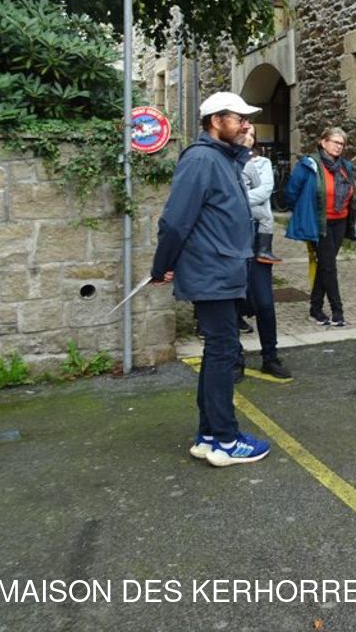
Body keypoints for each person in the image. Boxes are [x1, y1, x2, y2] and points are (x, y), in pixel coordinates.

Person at [151, 91, 271, 467]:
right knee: (223, 352)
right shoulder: (201, 159)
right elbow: (175, 220)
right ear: (216, 121)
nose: (246, 125)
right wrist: (161, 264)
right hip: (213, 270)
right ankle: (225, 440)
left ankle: (207, 436)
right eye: (239, 118)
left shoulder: (221, 158)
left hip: (221, 268)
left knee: (218, 351)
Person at [284, 126, 356, 327]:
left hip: (340, 220)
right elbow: (291, 193)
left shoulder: (345, 166)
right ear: (323, 142)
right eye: (335, 142)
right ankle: (337, 311)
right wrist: (304, 212)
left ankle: (315, 308)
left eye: (342, 144)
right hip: (319, 222)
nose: (339, 146)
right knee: (329, 266)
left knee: (325, 265)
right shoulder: (309, 165)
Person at [236, 128, 291, 379]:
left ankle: (270, 356)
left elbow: (265, 191)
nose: (247, 135)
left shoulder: (261, 163)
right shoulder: (224, 161)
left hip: (259, 237)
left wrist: (236, 200)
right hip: (233, 238)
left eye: (251, 132)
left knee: (265, 303)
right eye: (243, 131)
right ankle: (234, 358)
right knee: (234, 302)